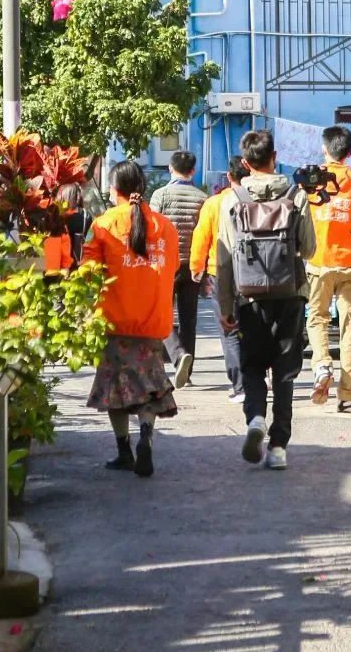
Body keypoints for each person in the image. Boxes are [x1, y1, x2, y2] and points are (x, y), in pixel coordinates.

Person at [215, 129, 315, 470]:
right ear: (275, 157)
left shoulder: (232, 199)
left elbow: (224, 258)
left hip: (248, 297)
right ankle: (278, 448)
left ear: (246, 163)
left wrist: (225, 306)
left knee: (253, 367)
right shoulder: (295, 195)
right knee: (285, 374)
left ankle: (255, 418)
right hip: (290, 296)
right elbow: (311, 248)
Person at [82, 160, 179, 478]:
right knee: (149, 387)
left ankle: (124, 450)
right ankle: (146, 436)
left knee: (116, 389)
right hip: (153, 322)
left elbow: (88, 273)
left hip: (114, 322)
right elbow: (172, 267)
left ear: (114, 189)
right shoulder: (164, 226)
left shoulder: (103, 224)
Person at [306, 125, 351, 412]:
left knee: (317, 318)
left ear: (325, 148)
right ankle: (348, 396)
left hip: (319, 261)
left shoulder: (311, 181)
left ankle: (321, 365)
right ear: (349, 152)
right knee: (350, 329)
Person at [190, 157, 249, 400]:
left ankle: (240, 386)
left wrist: (196, 266)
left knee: (229, 328)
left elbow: (202, 235)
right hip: (254, 272)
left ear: (228, 176)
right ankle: (259, 378)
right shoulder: (255, 200)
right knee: (252, 326)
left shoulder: (214, 203)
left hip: (219, 271)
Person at [150, 150, 207, 387]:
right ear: (193, 171)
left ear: (170, 169)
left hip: (165, 265)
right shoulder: (202, 198)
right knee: (189, 319)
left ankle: (172, 358)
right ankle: (187, 372)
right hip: (192, 265)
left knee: (161, 314)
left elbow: (152, 228)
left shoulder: (160, 195)